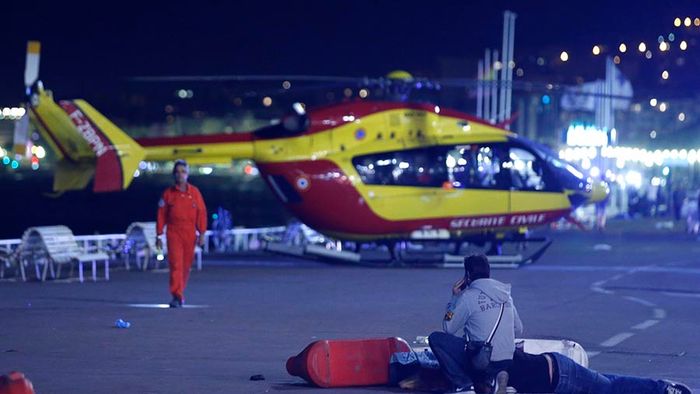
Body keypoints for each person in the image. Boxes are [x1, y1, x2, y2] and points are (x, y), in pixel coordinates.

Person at [429, 254, 523, 394]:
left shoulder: (468, 297)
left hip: (483, 361)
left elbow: (448, 327)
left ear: (467, 275)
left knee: (436, 338)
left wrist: (454, 298)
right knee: (470, 339)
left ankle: (463, 382)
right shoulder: (506, 296)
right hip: (507, 361)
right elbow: (519, 329)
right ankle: (494, 379)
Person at [482, 349, 692, 394]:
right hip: (556, 376)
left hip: (560, 376)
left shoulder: (489, 364)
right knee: (607, 384)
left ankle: (662, 389)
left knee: (610, 388)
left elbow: (502, 377)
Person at [156, 160, 208, 308]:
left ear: (187, 174)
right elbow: (161, 215)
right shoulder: (168, 194)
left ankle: (180, 292)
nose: (180, 175)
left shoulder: (195, 193)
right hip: (174, 232)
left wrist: (202, 233)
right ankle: (176, 295)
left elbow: (201, 213)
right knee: (176, 264)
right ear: (174, 174)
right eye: (177, 172)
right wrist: (159, 235)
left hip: (190, 232)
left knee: (185, 266)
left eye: (183, 172)